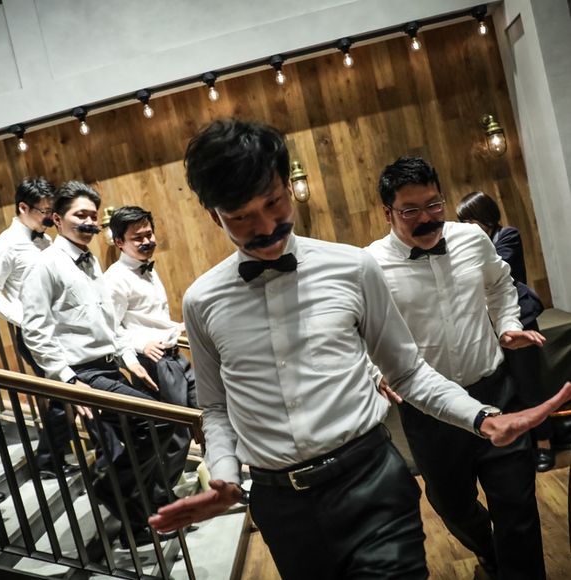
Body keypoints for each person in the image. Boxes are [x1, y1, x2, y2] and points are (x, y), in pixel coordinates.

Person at [148, 119, 571, 580]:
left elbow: (407, 371)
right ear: (214, 215)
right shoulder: (201, 300)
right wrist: (225, 473)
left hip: (371, 482)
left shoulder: (353, 267)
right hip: (282, 505)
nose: (267, 227)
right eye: (241, 218)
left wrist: (482, 417)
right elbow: (215, 407)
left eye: (273, 203)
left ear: (288, 188)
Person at [366, 156, 550, 579]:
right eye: (411, 210)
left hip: (494, 390)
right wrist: (376, 373)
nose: (426, 218)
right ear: (388, 213)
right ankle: (489, 550)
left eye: (434, 204)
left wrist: (507, 325)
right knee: (453, 505)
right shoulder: (370, 265)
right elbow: (361, 331)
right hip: (429, 413)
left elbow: (500, 284)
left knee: (517, 505)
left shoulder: (471, 238)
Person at [20, 181, 175, 548]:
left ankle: (134, 518)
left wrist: (128, 358)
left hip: (109, 367)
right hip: (83, 374)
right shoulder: (45, 265)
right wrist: (67, 381)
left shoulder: (90, 262)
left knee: (138, 438)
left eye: (93, 215)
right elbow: (35, 331)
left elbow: (109, 323)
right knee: (156, 421)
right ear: (58, 219)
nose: (89, 222)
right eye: (81, 215)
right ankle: (111, 489)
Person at [104, 205, 198, 503]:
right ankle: (158, 500)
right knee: (176, 434)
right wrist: (138, 345)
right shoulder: (115, 279)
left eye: (149, 234)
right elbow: (110, 328)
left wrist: (177, 327)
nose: (147, 241)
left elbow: (148, 318)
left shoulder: (148, 269)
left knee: (204, 414)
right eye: (138, 237)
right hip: (154, 362)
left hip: (174, 355)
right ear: (119, 242)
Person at [457, 191, 555, 472]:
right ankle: (521, 444)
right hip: (489, 327)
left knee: (529, 386)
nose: (466, 228)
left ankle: (545, 443)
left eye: (470, 221)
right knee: (506, 389)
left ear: (486, 218)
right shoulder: (471, 245)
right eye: (462, 222)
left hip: (520, 321)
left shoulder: (506, 235)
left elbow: (502, 274)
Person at [0, 177, 79, 480]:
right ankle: (48, 462)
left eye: (51, 210)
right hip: (36, 334)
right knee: (63, 396)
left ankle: (52, 459)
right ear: (23, 208)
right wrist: (26, 319)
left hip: (61, 329)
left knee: (67, 396)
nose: (49, 217)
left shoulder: (44, 239)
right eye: (44, 211)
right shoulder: (6, 245)